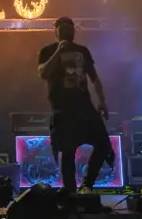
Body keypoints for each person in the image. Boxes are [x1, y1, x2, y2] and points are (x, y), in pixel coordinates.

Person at [38, 17, 113, 192]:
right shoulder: (48, 51)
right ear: (56, 31)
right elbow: (43, 73)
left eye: (69, 27)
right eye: (62, 28)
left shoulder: (82, 51)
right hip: (63, 108)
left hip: (85, 106)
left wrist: (102, 101)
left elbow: (94, 78)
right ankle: (71, 192)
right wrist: (58, 52)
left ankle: (87, 185)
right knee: (68, 150)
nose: (66, 31)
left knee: (103, 144)